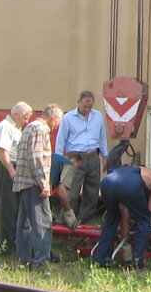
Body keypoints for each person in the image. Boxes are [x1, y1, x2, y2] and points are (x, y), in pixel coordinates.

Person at [13, 104, 64, 272]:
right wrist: (43, 182)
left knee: (25, 222)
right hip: (34, 183)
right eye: (58, 121)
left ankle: (24, 258)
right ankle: (41, 260)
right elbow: (36, 158)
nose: (57, 125)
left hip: (24, 181)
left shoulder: (29, 127)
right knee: (42, 221)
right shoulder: (41, 130)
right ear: (54, 118)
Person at [93, 165, 151, 270]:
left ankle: (101, 258)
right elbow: (150, 210)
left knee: (111, 220)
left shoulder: (129, 171)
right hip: (130, 184)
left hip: (107, 182)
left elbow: (123, 216)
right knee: (144, 220)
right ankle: (137, 260)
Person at [56, 90, 108, 225]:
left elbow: (102, 137)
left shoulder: (97, 116)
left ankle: (86, 223)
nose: (87, 109)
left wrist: (104, 155)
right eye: (85, 106)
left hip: (93, 156)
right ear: (78, 102)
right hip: (74, 157)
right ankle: (65, 221)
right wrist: (58, 160)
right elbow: (60, 140)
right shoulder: (68, 118)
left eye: (90, 107)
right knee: (71, 192)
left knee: (92, 192)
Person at [0, 102, 32, 255]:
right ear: (16, 114)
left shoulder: (16, 128)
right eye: (25, 117)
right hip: (8, 169)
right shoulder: (5, 127)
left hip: (15, 168)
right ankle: (6, 245)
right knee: (8, 209)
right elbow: (2, 151)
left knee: (15, 207)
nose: (26, 121)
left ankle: (14, 242)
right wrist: (11, 171)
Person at [49, 152, 81, 227]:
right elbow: (61, 191)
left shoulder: (54, 158)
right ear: (76, 161)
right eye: (78, 167)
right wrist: (69, 214)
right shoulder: (69, 164)